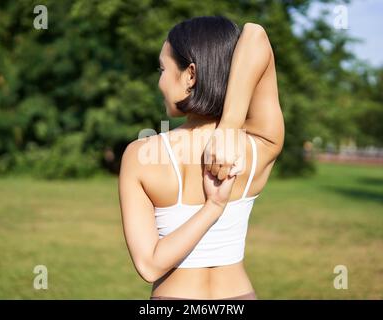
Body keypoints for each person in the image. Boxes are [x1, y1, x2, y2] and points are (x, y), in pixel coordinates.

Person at [119, 15, 284, 300]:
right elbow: (256, 36)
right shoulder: (260, 145)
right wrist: (230, 128)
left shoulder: (142, 155)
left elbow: (149, 266)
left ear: (190, 75)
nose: (160, 82)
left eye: (162, 69)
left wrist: (212, 207)